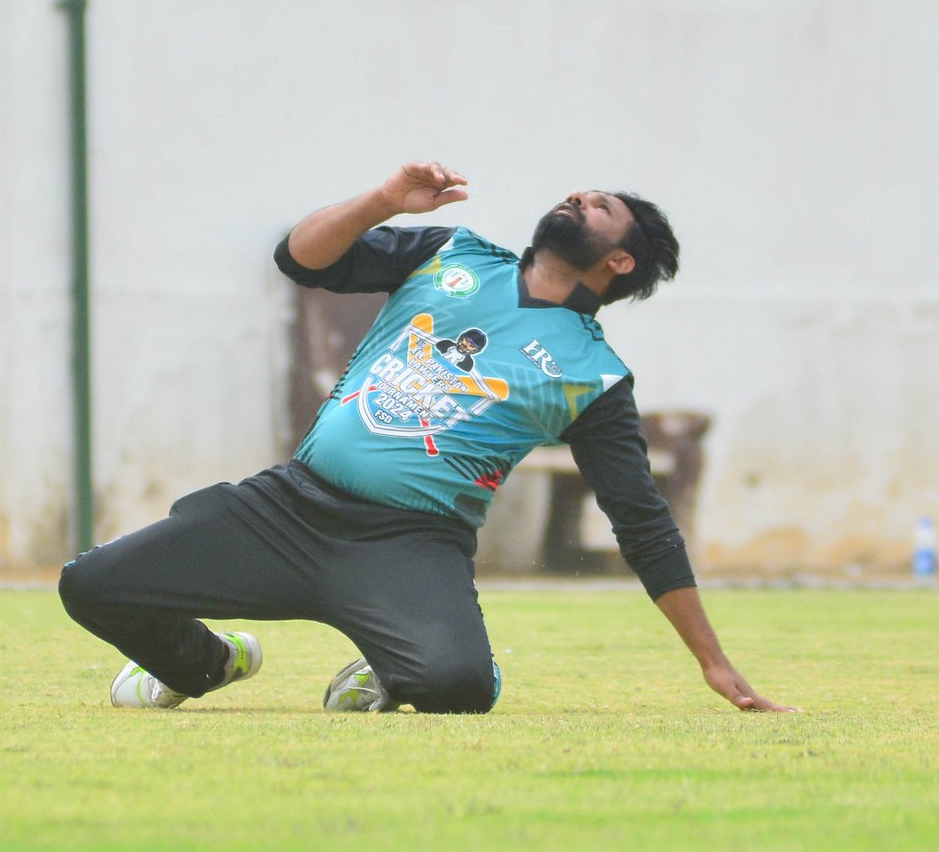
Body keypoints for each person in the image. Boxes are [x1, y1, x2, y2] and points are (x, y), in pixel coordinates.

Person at [60, 161, 792, 715]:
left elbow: (642, 521)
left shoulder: (591, 376)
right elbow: (299, 258)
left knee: (458, 687)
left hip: (408, 544)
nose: (578, 198)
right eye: (580, 193)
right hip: (287, 509)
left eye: (601, 208)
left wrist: (712, 661)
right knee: (89, 585)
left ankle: (391, 667)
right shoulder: (452, 252)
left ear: (619, 261)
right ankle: (204, 664)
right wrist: (382, 201)